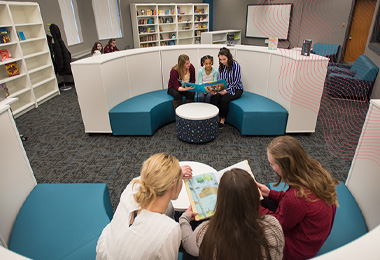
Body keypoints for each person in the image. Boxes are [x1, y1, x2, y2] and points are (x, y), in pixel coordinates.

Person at [96, 153, 193, 260]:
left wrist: (172, 173)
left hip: (109, 248)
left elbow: (148, 174)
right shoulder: (169, 229)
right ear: (174, 183)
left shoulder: (132, 187)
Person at [257, 136, 339, 260]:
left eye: (272, 163)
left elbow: (277, 225)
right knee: (265, 202)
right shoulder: (314, 169)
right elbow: (298, 206)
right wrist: (270, 193)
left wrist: (252, 207)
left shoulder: (296, 197)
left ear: (284, 166)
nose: (270, 166)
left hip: (298, 250)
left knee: (246, 227)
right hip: (314, 236)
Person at [179, 169, 284, 260]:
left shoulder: (206, 232)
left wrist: (184, 218)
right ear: (255, 197)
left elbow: (188, 245)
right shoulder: (273, 225)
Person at [211, 47, 244, 129]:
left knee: (224, 100)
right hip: (224, 87)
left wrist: (226, 91)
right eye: (220, 59)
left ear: (228, 57)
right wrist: (215, 89)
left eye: (224, 59)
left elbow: (236, 81)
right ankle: (217, 117)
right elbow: (220, 81)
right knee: (214, 97)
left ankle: (222, 120)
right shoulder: (221, 66)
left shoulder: (235, 65)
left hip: (236, 88)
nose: (222, 61)